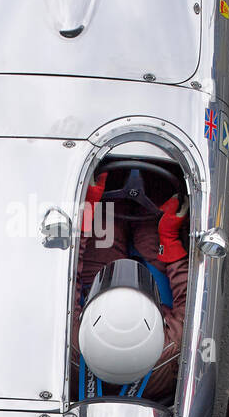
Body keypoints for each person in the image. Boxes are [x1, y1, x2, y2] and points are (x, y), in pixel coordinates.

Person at [71, 171, 189, 402]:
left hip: (97, 279)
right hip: (155, 287)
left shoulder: (70, 344)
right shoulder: (173, 349)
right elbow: (188, 298)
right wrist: (169, 239)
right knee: (152, 222)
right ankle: (153, 179)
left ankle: (113, 176)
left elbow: (70, 275)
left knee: (107, 220)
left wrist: (85, 215)